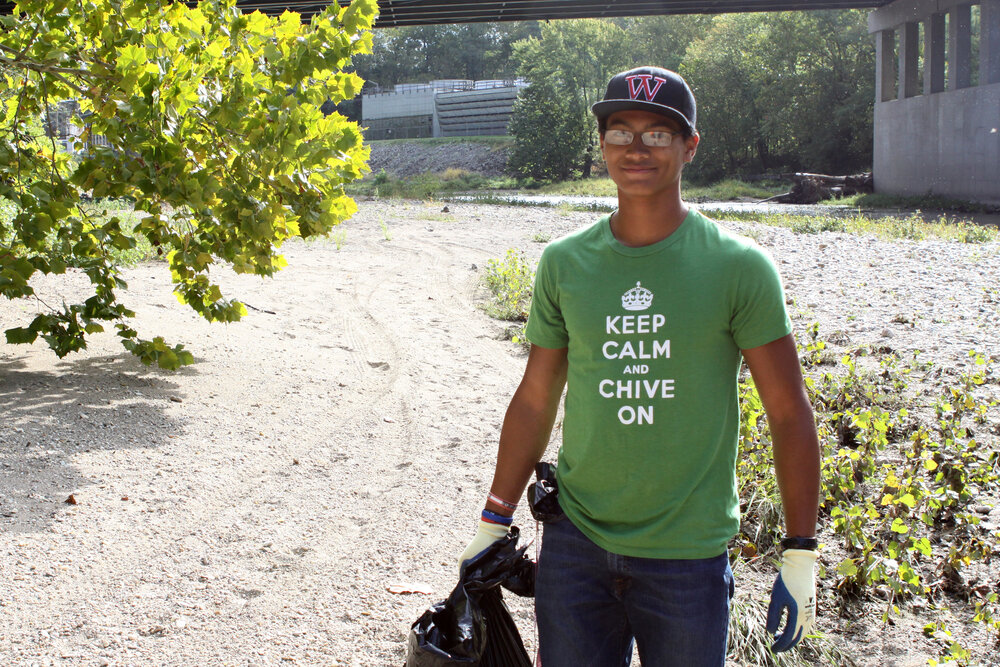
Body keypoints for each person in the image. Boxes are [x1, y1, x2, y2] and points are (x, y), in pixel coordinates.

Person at [459, 66, 821, 666]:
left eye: (657, 134)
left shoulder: (739, 267)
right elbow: (536, 396)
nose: (636, 148)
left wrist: (801, 550)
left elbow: (788, 411)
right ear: (602, 144)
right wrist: (494, 517)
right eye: (620, 132)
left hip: (687, 558)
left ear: (689, 146)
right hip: (577, 545)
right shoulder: (564, 263)